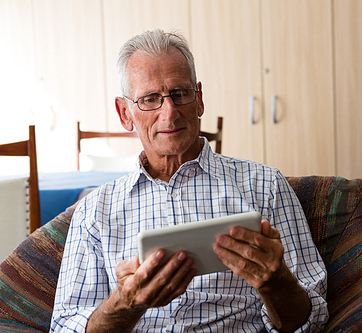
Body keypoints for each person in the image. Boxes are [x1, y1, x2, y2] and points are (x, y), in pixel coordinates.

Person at [51, 29, 329, 333]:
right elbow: (66, 327)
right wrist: (126, 302)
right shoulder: (93, 212)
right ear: (125, 113)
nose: (169, 113)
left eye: (180, 94)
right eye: (150, 100)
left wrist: (275, 281)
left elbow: (311, 322)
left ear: (199, 100)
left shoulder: (267, 186)